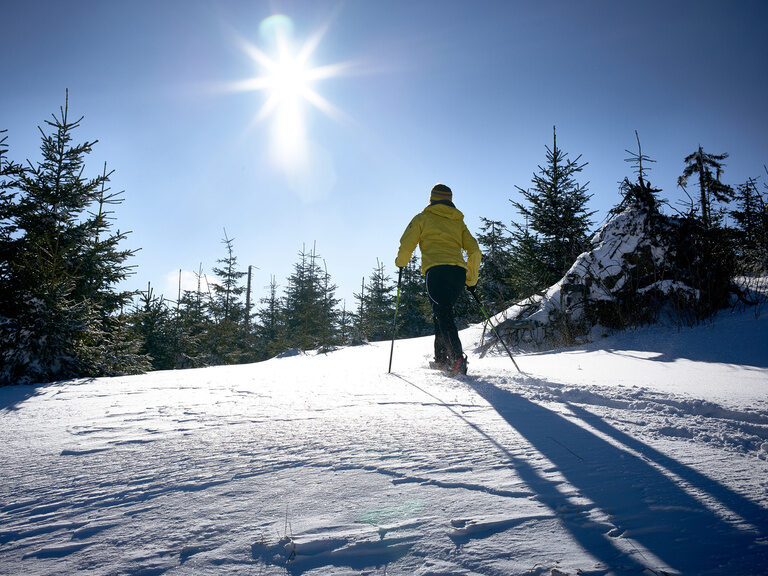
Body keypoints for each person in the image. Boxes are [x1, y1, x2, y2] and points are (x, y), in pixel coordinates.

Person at [395, 183, 481, 375]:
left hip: (437, 271)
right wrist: (471, 279)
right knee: (442, 312)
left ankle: (457, 359)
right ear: (450, 200)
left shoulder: (422, 218)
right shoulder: (458, 223)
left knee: (443, 313)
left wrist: (401, 263)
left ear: (431, 199)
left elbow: (407, 243)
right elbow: (474, 250)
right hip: (458, 273)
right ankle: (442, 359)